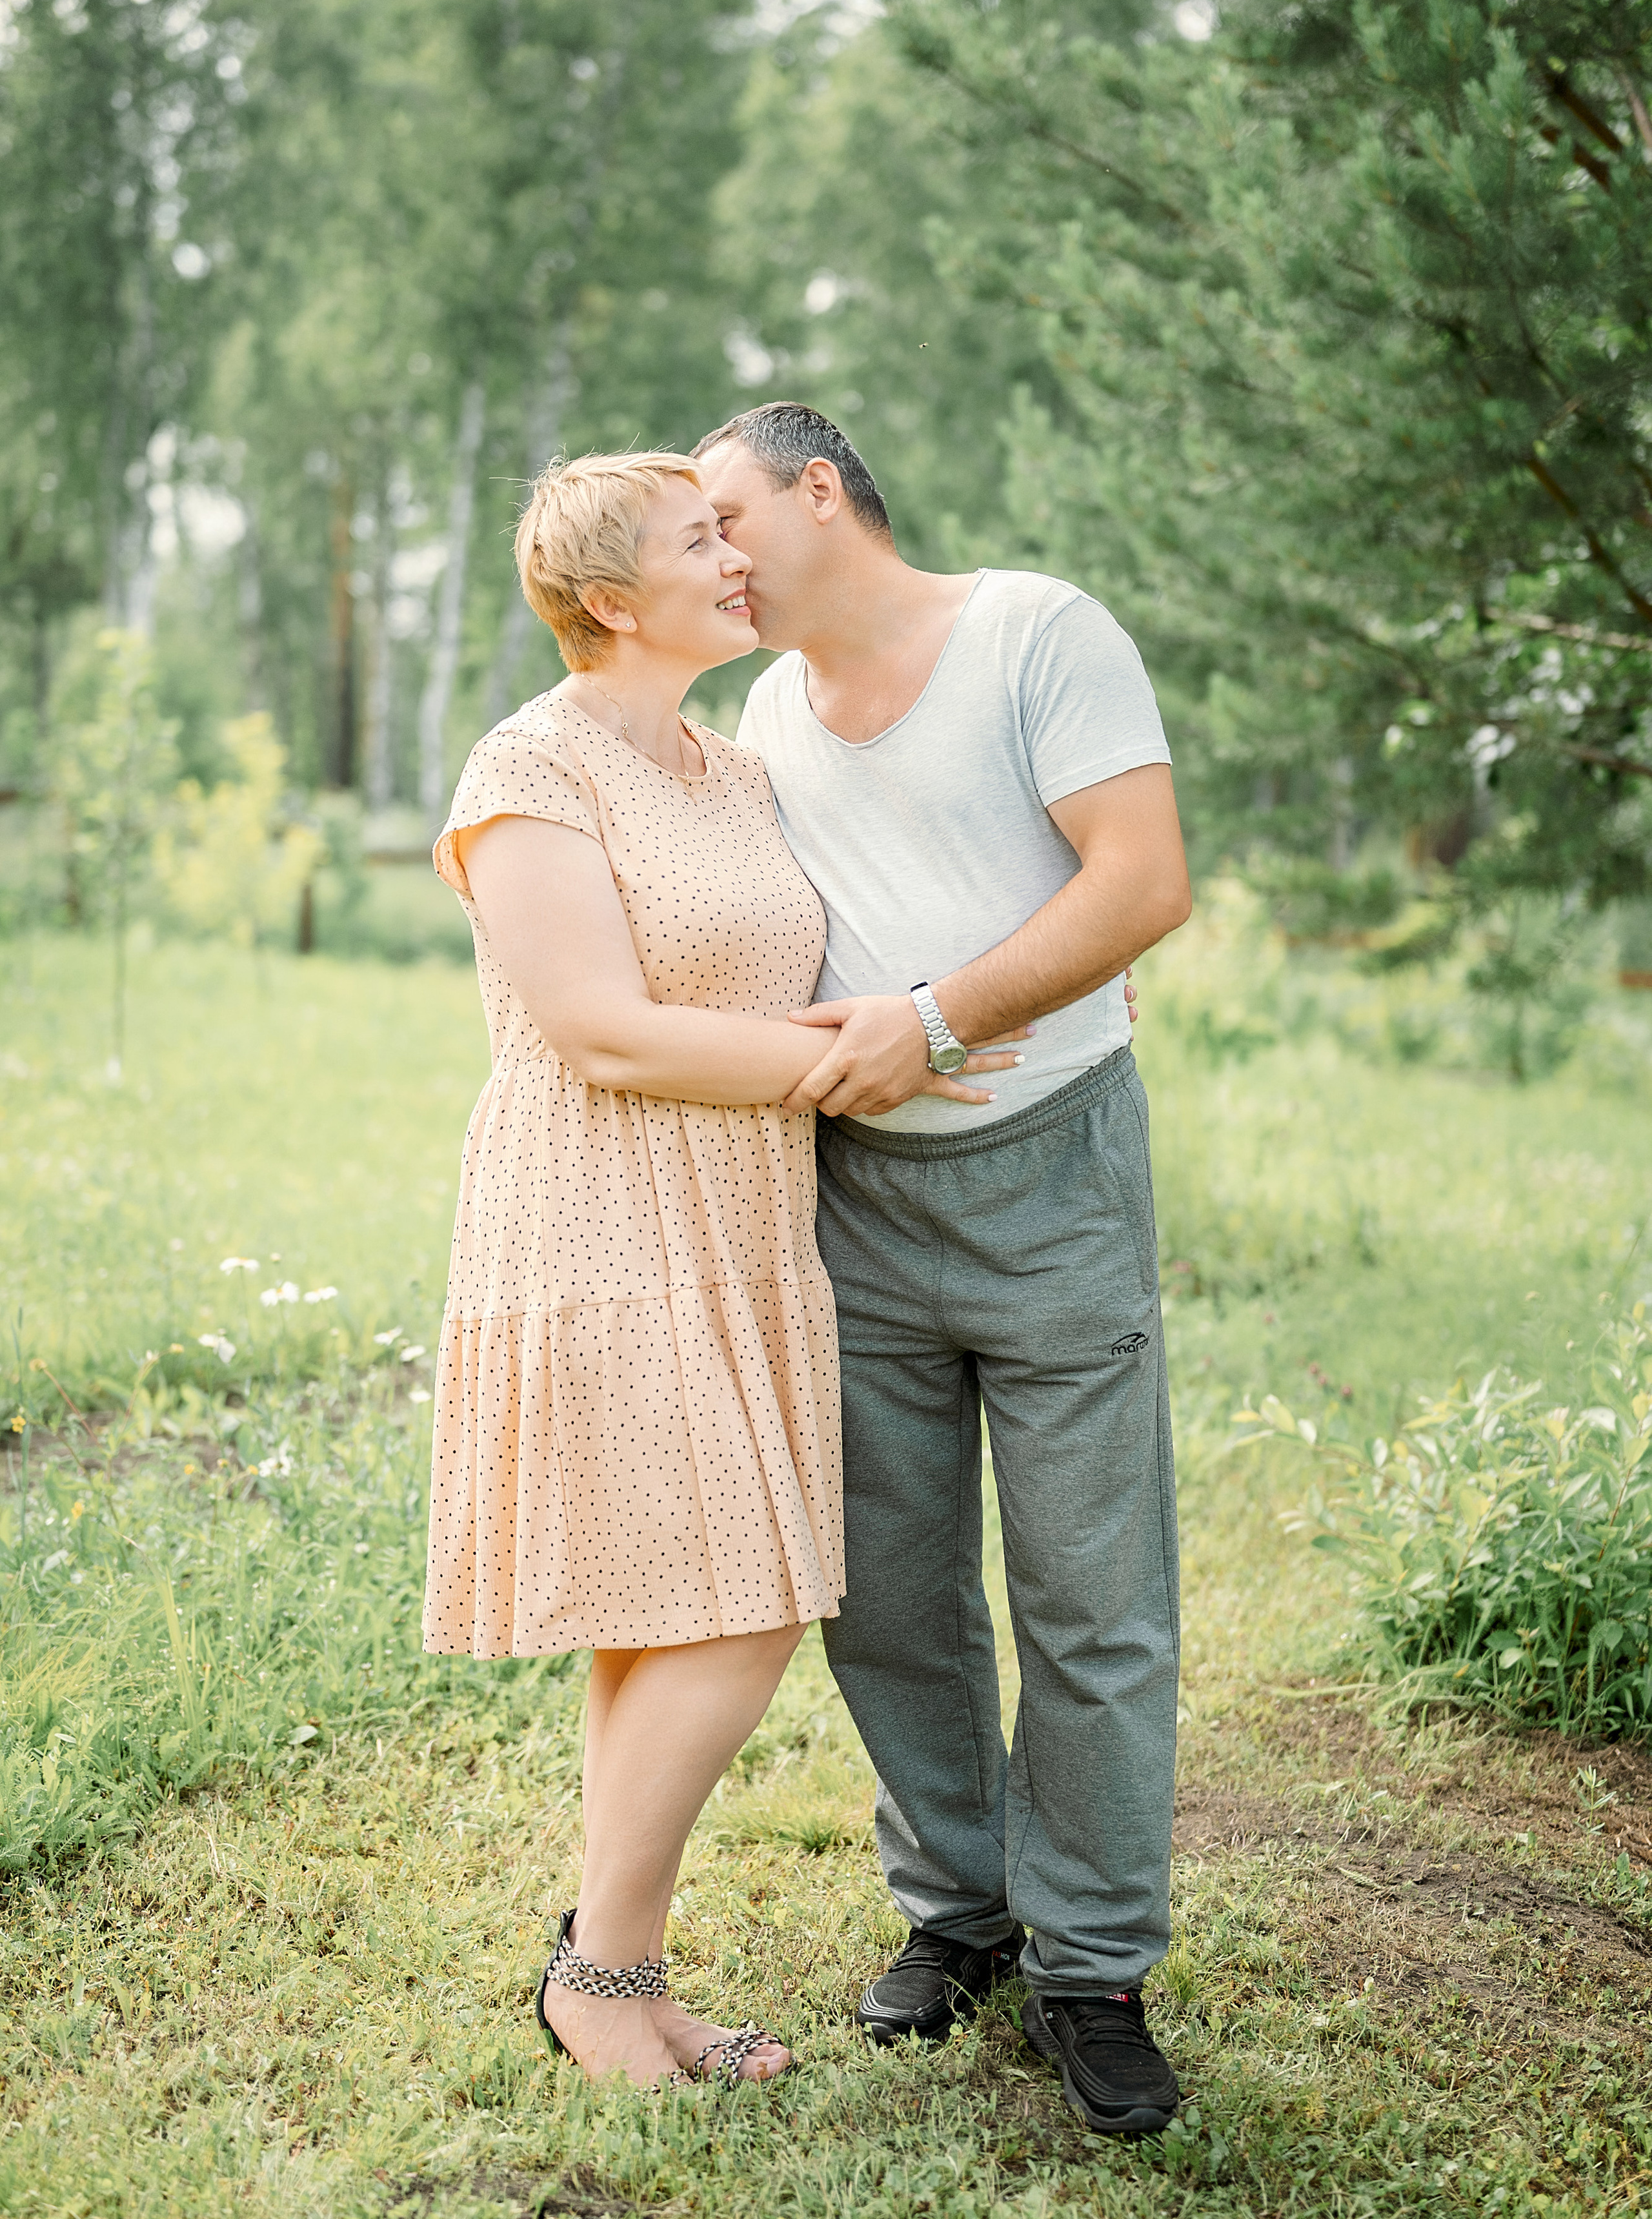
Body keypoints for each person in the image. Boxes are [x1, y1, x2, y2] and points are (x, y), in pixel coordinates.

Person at [423, 449, 1019, 2091]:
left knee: (665, 1603)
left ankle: (612, 1976)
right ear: (611, 599)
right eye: (704, 542)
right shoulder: (526, 767)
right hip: (604, 1211)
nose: (739, 563)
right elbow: (601, 1036)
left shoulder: (728, 768)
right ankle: (603, 1977)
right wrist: (848, 1062)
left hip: (746, 1218)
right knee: (738, 1604)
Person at [692, 403, 1193, 2136]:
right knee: (892, 1597)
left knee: (1091, 1598)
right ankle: (961, 1915)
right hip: (853, 1208)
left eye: (729, 512)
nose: (714, 553)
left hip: (1054, 1184)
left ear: (820, 489)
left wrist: (940, 1015)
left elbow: (1145, 882)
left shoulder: (1039, 633)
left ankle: (1094, 1965)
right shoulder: (764, 708)